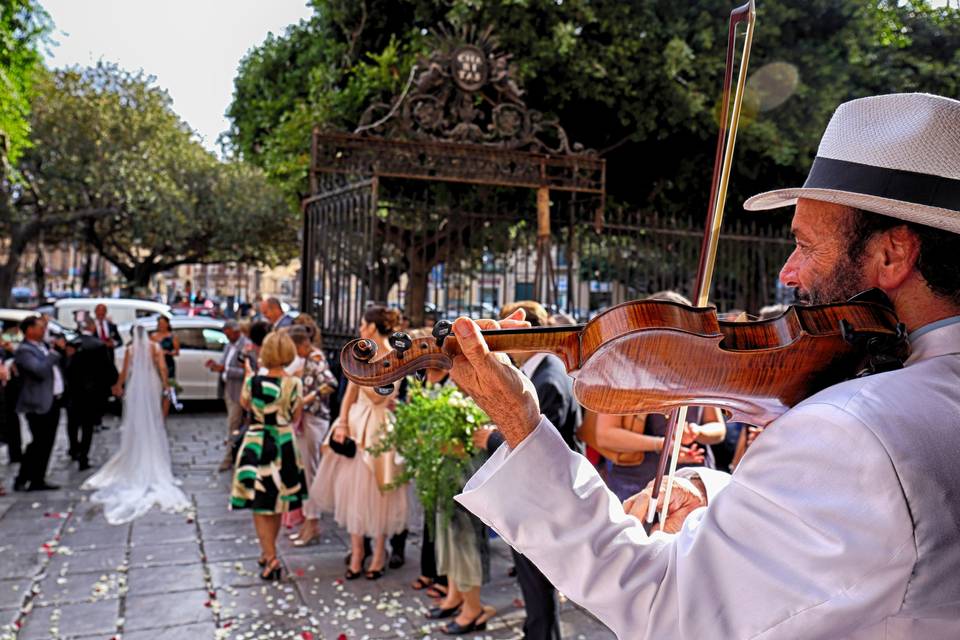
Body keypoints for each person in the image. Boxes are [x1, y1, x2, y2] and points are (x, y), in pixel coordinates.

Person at [447, 93, 960, 637]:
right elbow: (883, 544)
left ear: (893, 254)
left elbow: (664, 605)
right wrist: (718, 495)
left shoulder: (852, 430)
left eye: (806, 246)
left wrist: (521, 423)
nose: (789, 273)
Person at [472, 300, 580, 640]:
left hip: (544, 496)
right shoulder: (540, 370)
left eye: (507, 328)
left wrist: (489, 438)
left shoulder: (548, 377)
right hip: (539, 492)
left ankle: (542, 633)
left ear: (525, 331)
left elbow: (535, 443)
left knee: (538, 581)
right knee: (533, 579)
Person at [311, 305, 407, 581]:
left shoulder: (395, 357)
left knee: (379, 494)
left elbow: (379, 398)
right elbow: (348, 393)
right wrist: (341, 423)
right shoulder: (361, 353)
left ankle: (379, 553)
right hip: (355, 425)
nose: (360, 329)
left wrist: (361, 370)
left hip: (379, 429)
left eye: (363, 324)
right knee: (351, 493)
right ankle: (356, 552)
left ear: (373, 327)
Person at [82, 324, 190, 524]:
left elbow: (125, 371)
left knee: (136, 419)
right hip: (151, 384)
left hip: (135, 386)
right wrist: (166, 385)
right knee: (154, 419)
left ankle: (135, 451)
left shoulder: (131, 350)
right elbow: (162, 367)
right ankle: (152, 454)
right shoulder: (155, 348)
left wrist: (119, 384)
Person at [230, 331, 306, 581]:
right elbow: (296, 417)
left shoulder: (253, 383)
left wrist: (250, 377)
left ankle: (271, 557)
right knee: (276, 503)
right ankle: (268, 552)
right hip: (284, 443)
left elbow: (245, 405)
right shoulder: (294, 383)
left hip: (258, 441)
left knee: (260, 504)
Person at [288, 328, 336, 547]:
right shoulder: (309, 359)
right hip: (309, 418)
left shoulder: (315, 359)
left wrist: (306, 399)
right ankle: (309, 522)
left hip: (314, 418)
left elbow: (330, 384)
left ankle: (313, 523)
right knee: (307, 472)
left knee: (311, 472)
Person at [13, 315, 66, 492]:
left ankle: (38, 478)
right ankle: (24, 477)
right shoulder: (25, 351)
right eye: (40, 327)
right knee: (38, 443)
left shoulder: (42, 347)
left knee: (47, 442)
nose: (44, 330)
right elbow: (40, 370)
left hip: (53, 400)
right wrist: (52, 354)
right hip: (37, 403)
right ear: (29, 331)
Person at [66, 318, 118, 470]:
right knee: (87, 426)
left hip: (73, 390)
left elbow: (66, 366)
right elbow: (107, 367)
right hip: (92, 392)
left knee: (72, 423)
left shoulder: (72, 343)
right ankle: (84, 456)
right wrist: (112, 384)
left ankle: (73, 448)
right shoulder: (98, 345)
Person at [206, 320, 249, 472]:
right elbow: (224, 364)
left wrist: (226, 369)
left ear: (236, 331)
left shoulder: (245, 346)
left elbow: (247, 372)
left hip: (238, 391)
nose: (227, 336)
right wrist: (217, 367)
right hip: (228, 389)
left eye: (229, 333)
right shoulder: (228, 345)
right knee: (233, 423)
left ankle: (229, 457)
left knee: (234, 424)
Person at [151, 315, 179, 416]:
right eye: (159, 324)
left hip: (169, 365)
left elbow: (177, 352)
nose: (161, 326)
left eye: (163, 323)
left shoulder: (173, 336)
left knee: (168, 390)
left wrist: (167, 353)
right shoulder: (153, 336)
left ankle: (163, 415)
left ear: (167, 324)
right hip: (156, 365)